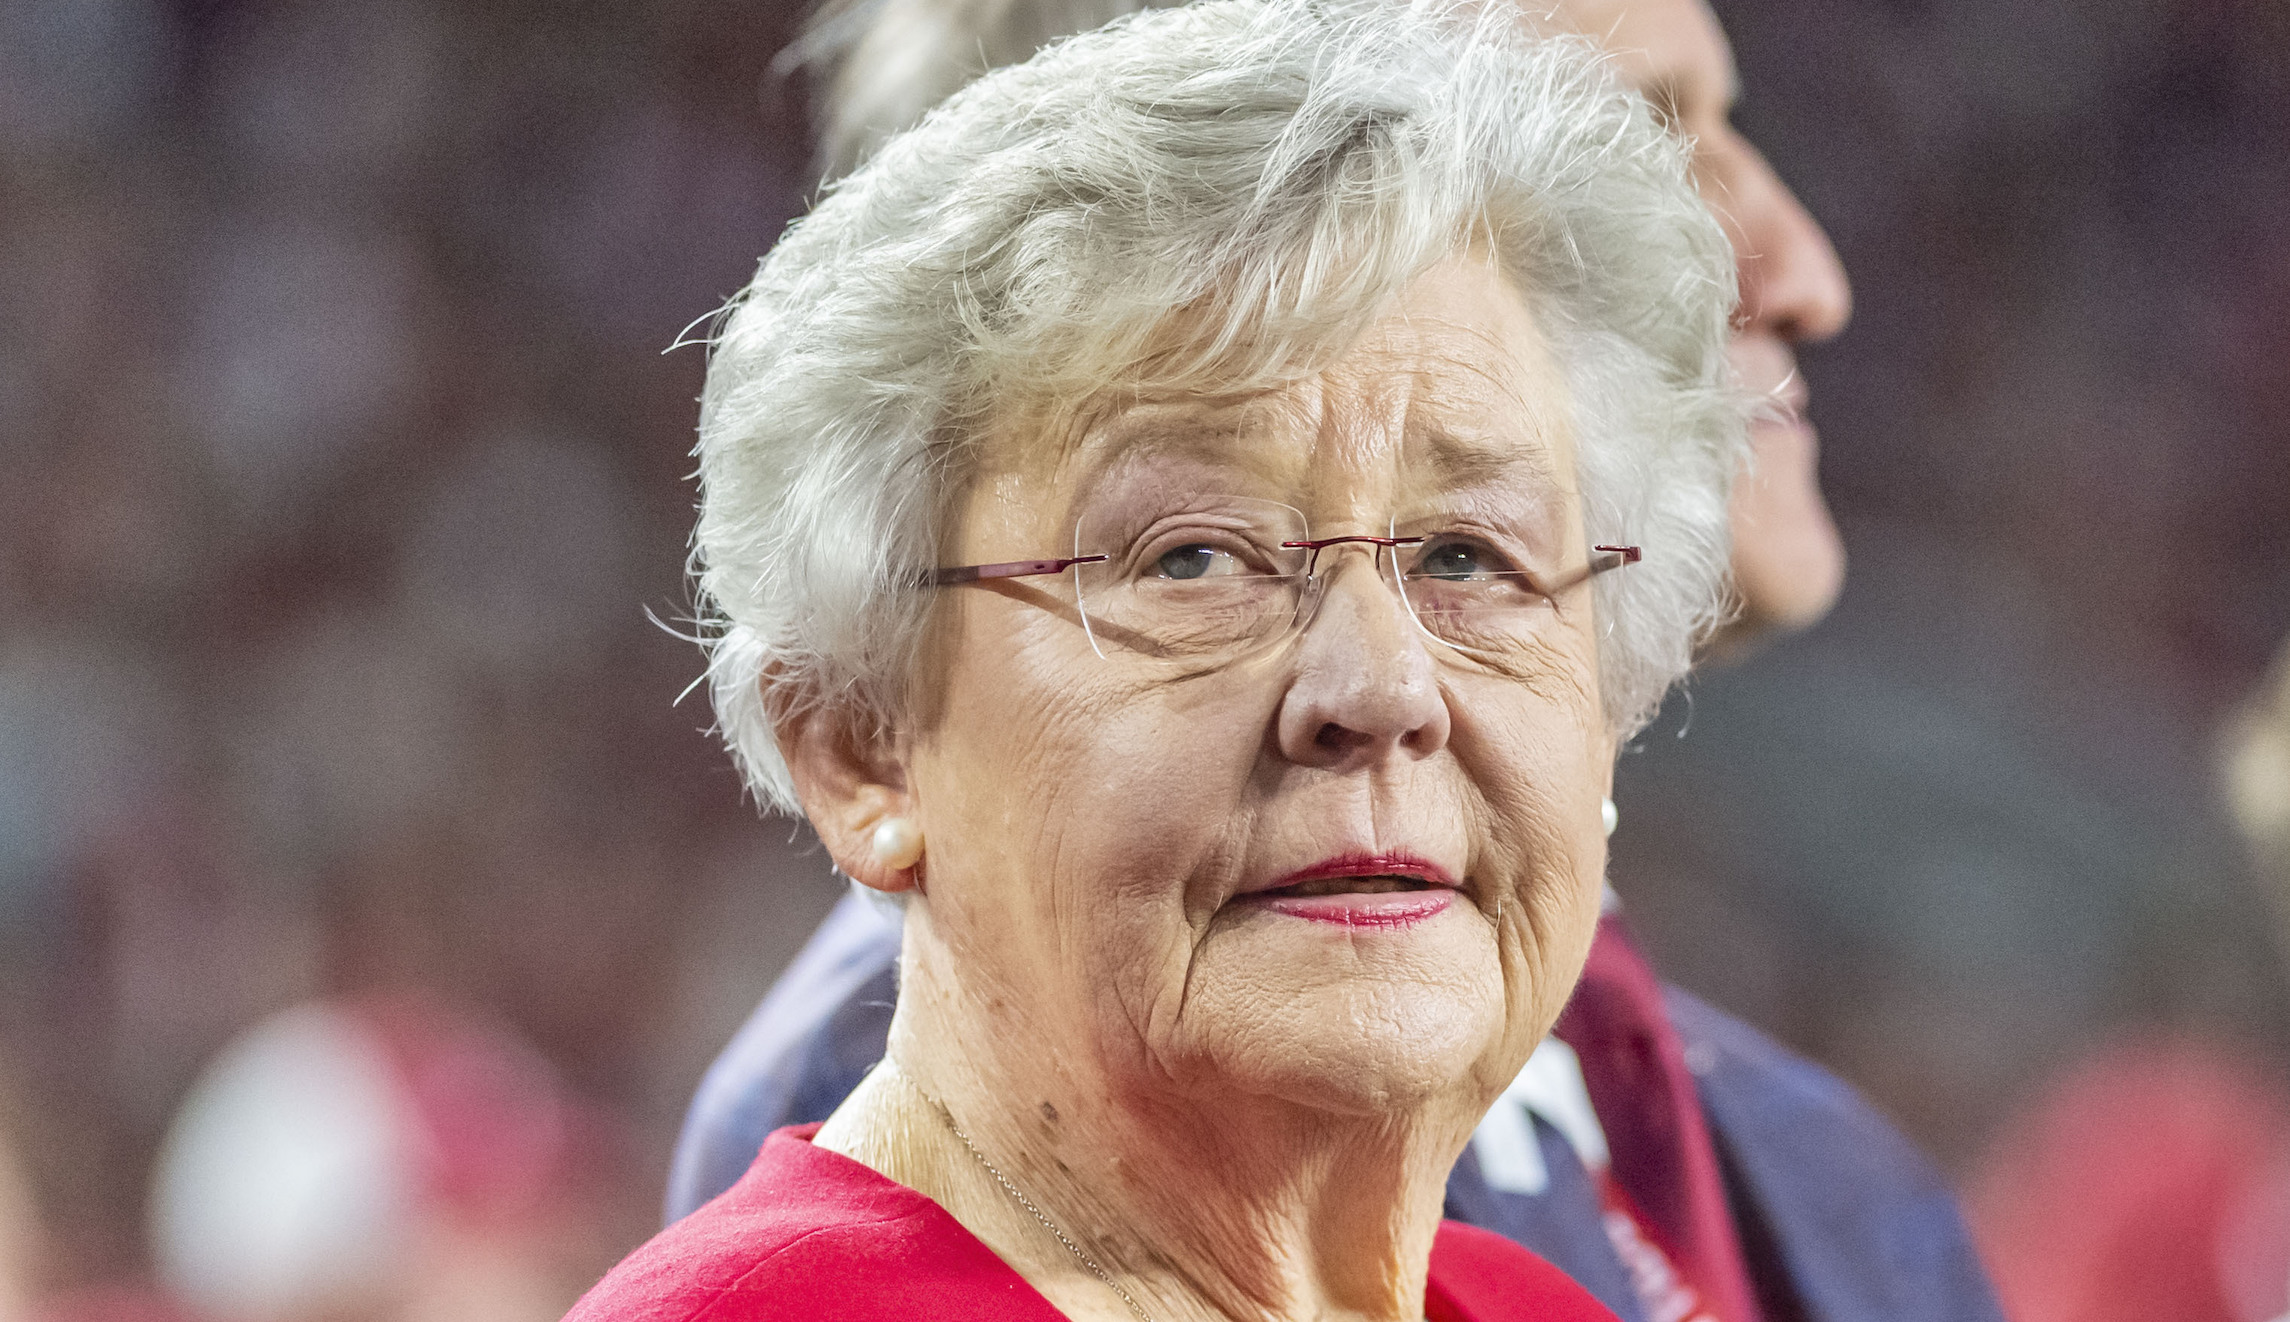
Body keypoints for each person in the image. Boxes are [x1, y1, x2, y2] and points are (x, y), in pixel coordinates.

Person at [667, 1, 2006, 1320]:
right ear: (861, 739)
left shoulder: (1686, 1220)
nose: (1384, 689)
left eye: (1466, 556)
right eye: (1196, 559)